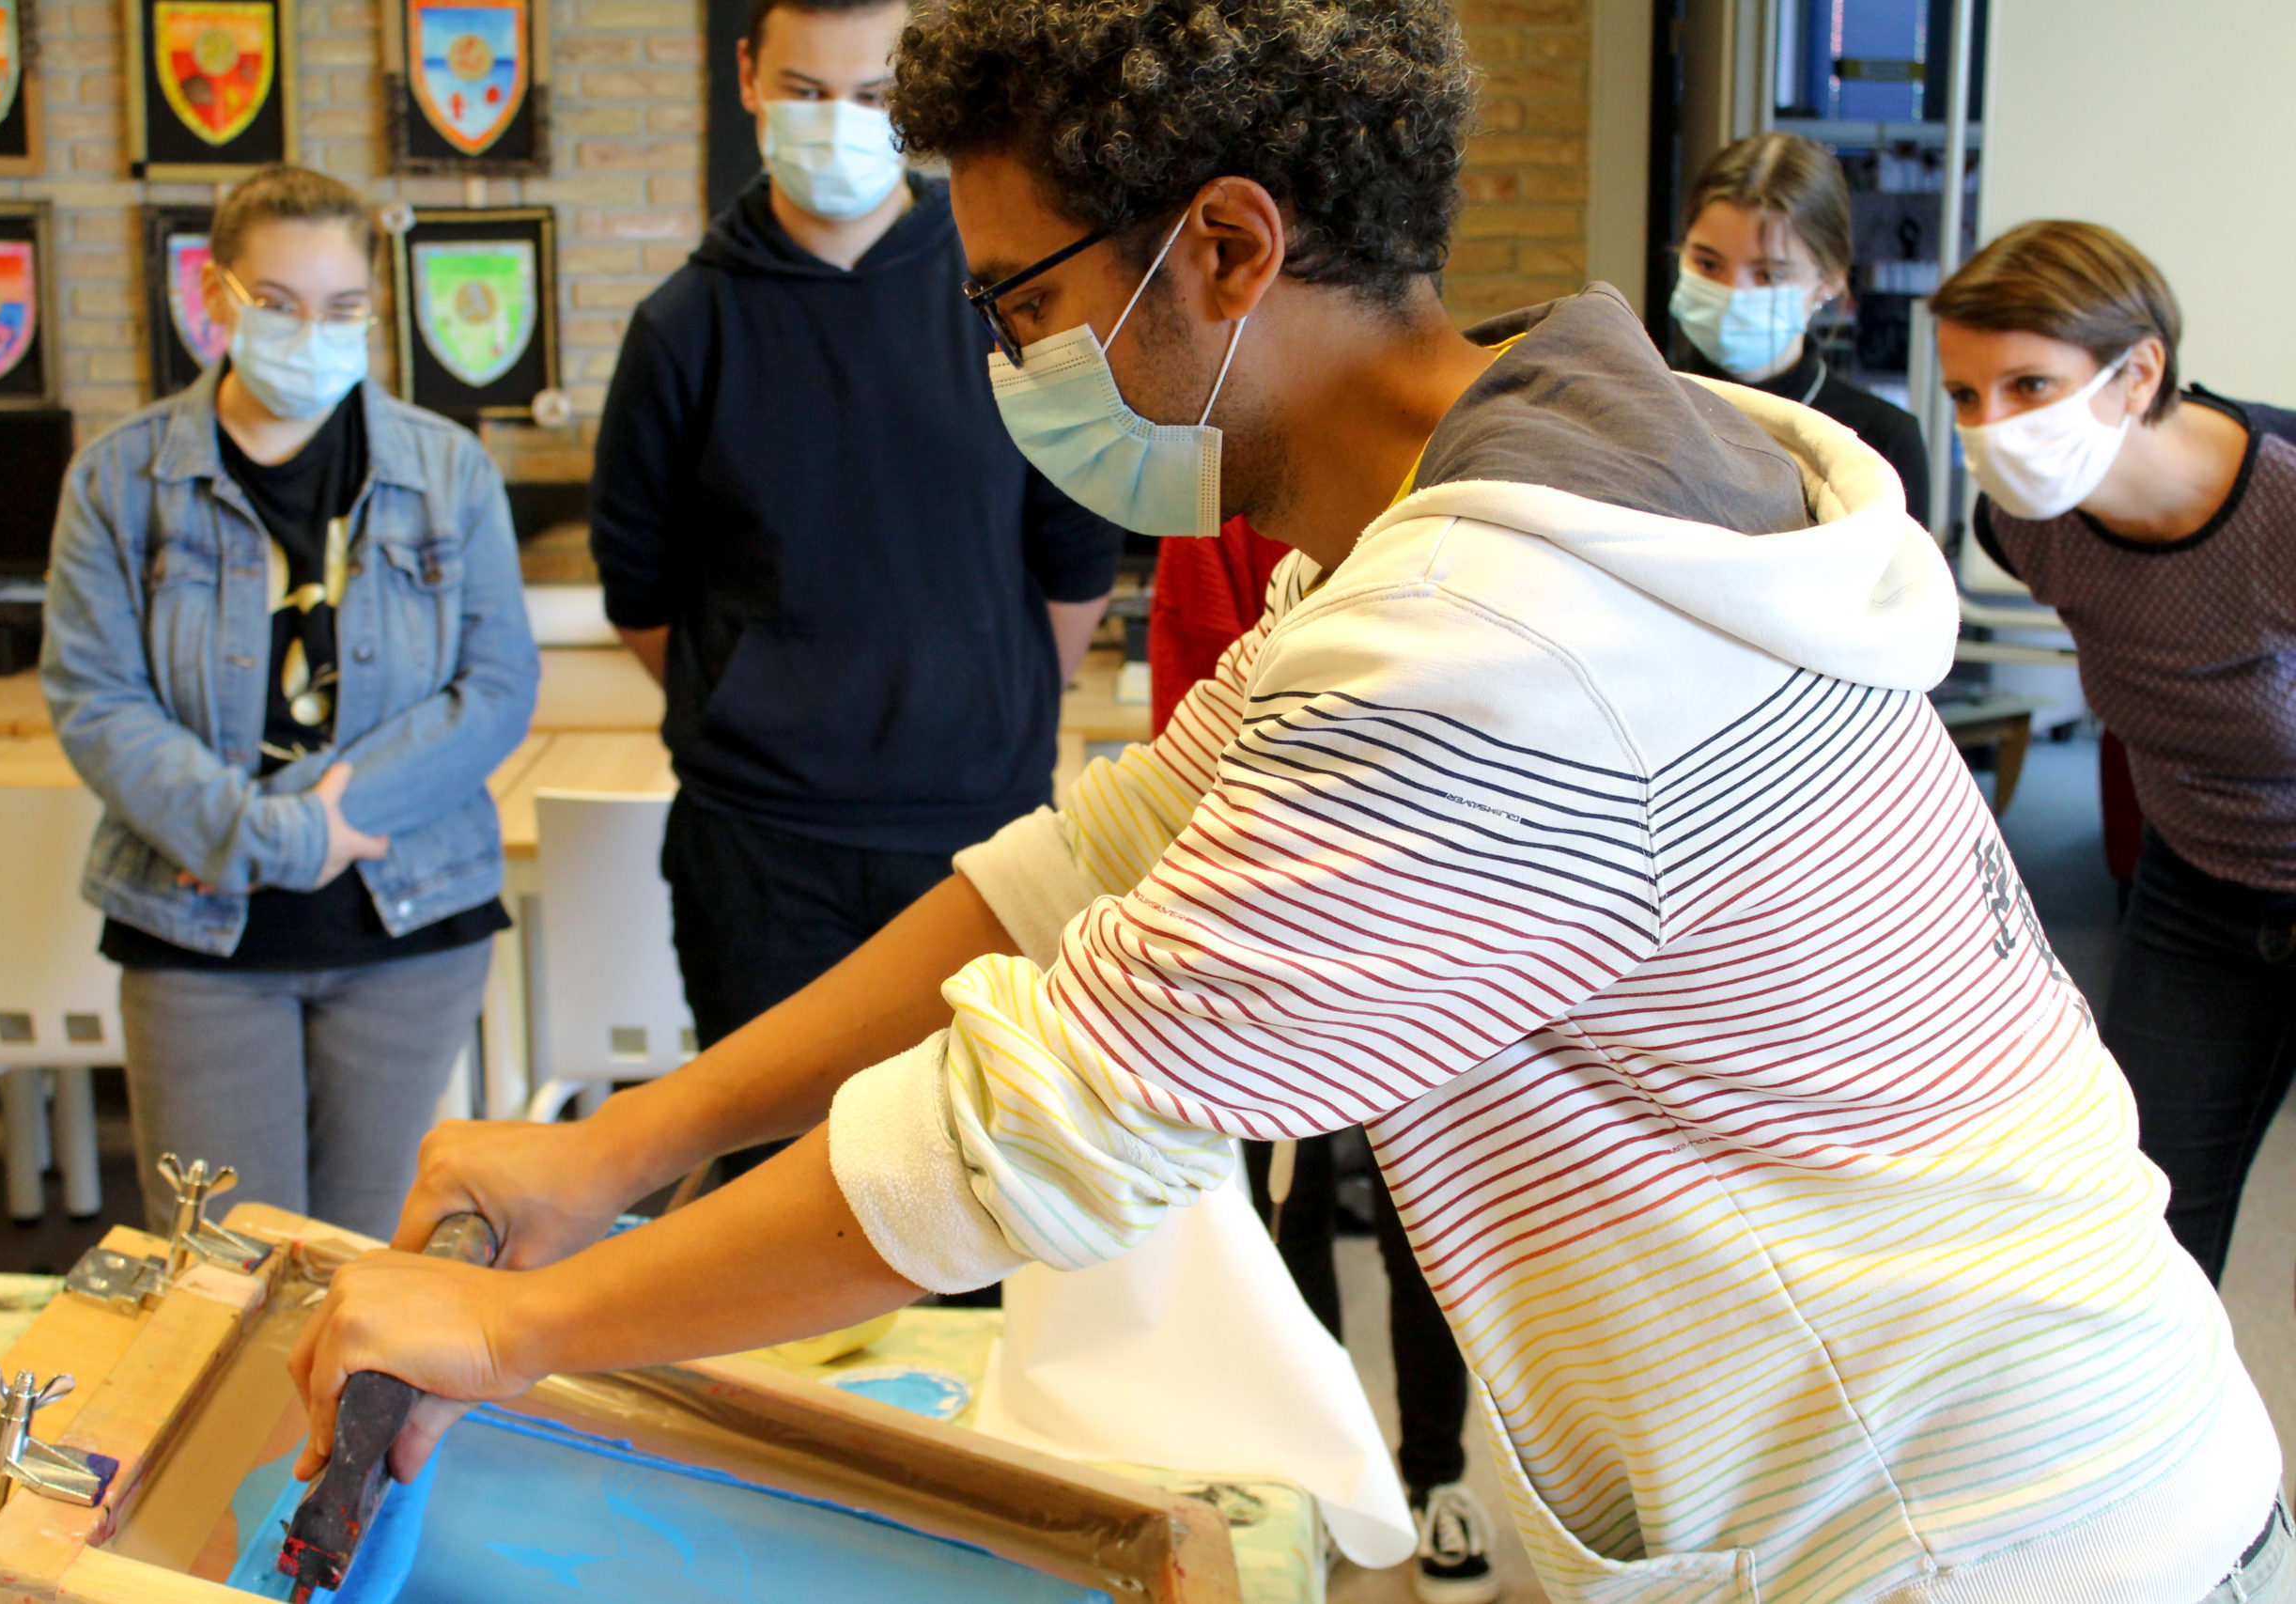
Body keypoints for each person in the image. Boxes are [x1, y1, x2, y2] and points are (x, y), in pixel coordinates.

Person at [290, 3, 2289, 1600]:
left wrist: (518, 1326)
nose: (1000, 358)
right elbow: (1088, 859)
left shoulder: (1500, 632)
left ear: (1225, 248)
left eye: (1013, 304)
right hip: (1979, 1442)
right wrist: (624, 1142)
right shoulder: (1530, 497)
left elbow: (1025, 1135)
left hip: (1976, 1525)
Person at [586, 0, 1124, 1182]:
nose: (837, 124)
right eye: (807, 90)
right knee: (776, 1194)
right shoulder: (683, 327)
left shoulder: (1004, 295)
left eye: (873, 97)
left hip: (978, 837)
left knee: (979, 1188)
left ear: (916, 103)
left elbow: (1074, 551)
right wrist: (762, 701)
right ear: (748, 78)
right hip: (761, 849)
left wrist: (973, 690)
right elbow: (639, 590)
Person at [41, 165, 537, 1239]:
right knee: (219, 1265)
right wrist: (267, 835)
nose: (311, 331)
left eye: (342, 308)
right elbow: (95, 697)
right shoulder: (120, 480)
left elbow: (496, 692)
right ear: (215, 296)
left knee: (368, 1266)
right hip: (200, 932)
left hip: (407, 922)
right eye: (276, 303)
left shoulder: (449, 471)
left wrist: (325, 817)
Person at [1931, 220, 2296, 1286]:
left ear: (2137, 374)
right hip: (2197, 888)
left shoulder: (2283, 504)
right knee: (2138, 1224)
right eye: (1964, 395)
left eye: (2029, 387)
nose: (1990, 428)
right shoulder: (2026, 524)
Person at [1156, 525, 1497, 1601]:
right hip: (1270, 898)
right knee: (1279, 1206)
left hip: (1448, 901)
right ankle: (1316, 1470)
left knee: (1430, 1215)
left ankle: (1437, 1475)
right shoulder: (1214, 504)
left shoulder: (1466, 495)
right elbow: (1185, 721)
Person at [1668, 132, 1931, 523]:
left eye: (1768, 275)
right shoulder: (1634, 392)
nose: (1732, 293)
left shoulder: (1881, 440)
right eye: (1708, 265)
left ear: (1827, 281)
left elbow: (1904, 582)